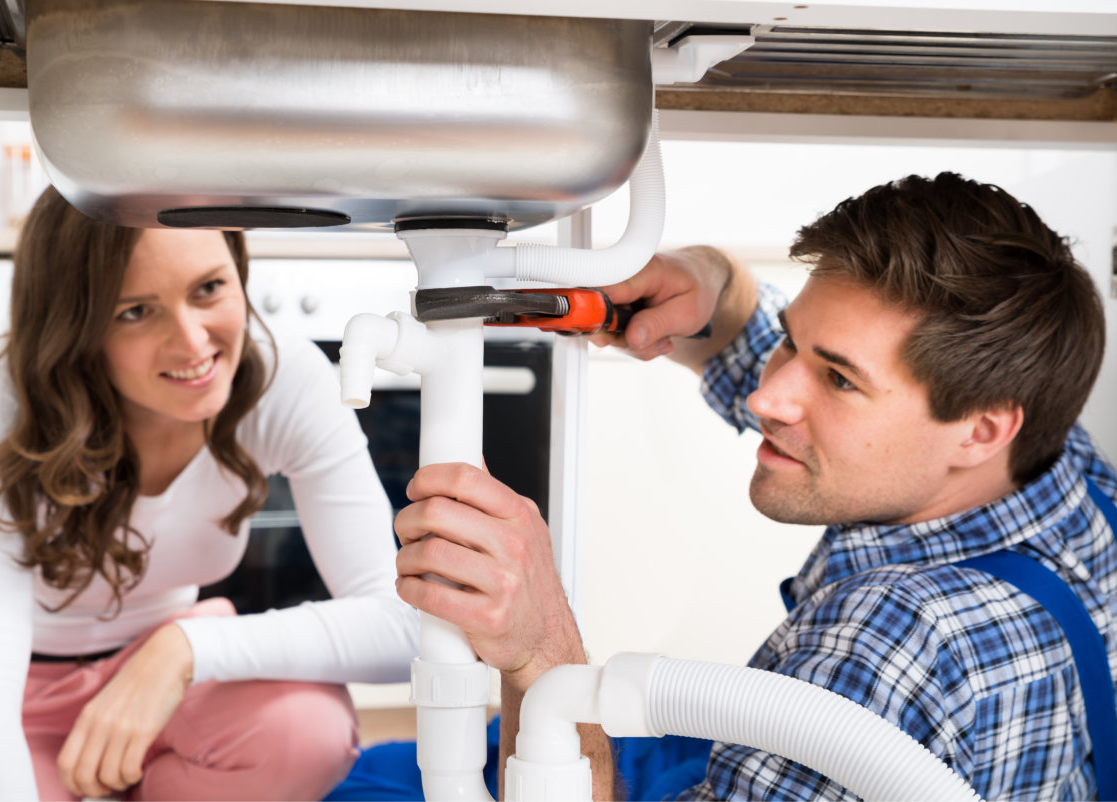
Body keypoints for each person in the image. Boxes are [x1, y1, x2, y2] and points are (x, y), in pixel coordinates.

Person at [392, 172, 1115, 800]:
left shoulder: (889, 640)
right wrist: (719, 289)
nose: (770, 397)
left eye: (837, 378)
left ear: (981, 431)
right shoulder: (1064, 470)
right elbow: (823, 371)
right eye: (786, 340)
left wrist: (540, 648)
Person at [0, 186, 420, 801]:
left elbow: (408, 628)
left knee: (306, 733)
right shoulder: (6, 392)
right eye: (135, 311)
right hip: (22, 693)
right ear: (76, 327)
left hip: (173, 683)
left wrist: (185, 647)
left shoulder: (284, 379)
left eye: (208, 288)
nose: (193, 344)